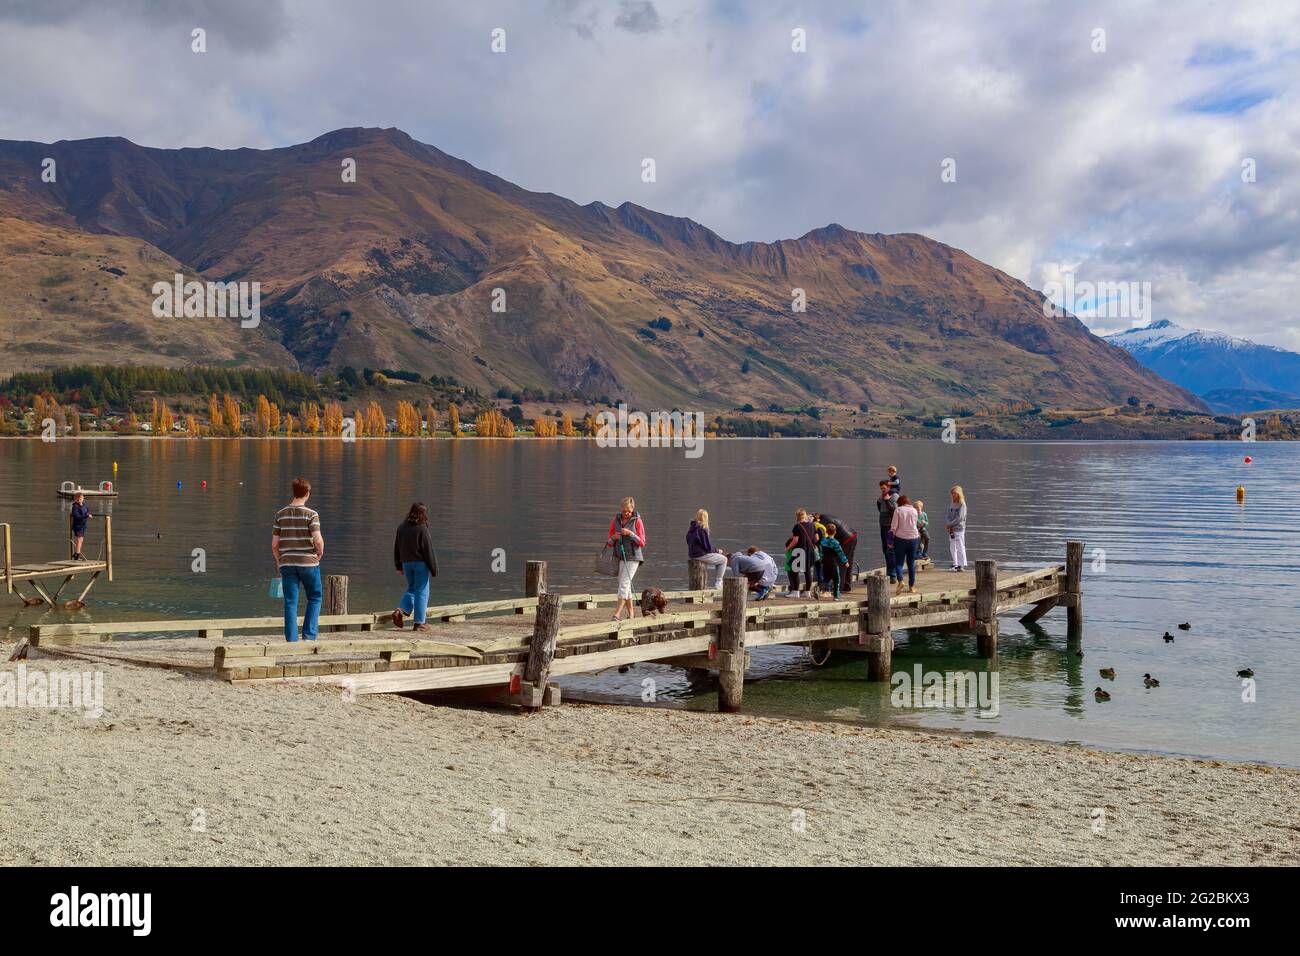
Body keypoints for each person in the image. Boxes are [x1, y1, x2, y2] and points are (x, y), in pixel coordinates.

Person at [271, 477, 325, 643]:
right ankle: (309, 637)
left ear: (293, 493)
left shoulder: (280, 515)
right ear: (307, 493)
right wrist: (320, 553)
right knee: (315, 597)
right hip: (308, 563)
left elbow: (274, 544)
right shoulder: (311, 515)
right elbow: (318, 540)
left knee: (290, 603)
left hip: (287, 563)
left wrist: (279, 561)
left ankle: (292, 641)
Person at [392, 502, 438, 632]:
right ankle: (419, 623)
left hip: (406, 564)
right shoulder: (422, 528)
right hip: (420, 564)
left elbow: (397, 547)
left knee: (412, 589)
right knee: (422, 592)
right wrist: (434, 569)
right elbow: (428, 550)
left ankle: (400, 610)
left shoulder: (401, 527)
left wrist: (398, 565)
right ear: (423, 514)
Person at [608, 497, 646, 621]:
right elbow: (608, 542)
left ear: (633, 509)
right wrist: (614, 537)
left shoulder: (637, 521)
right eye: (624, 511)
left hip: (633, 557)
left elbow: (642, 542)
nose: (626, 514)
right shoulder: (615, 520)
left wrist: (631, 534)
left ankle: (617, 614)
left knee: (624, 584)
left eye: (628, 511)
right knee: (625, 585)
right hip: (619, 556)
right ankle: (631, 614)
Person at [817, 512, 859, 592]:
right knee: (849, 562)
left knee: (841, 565)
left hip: (847, 539)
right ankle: (847, 585)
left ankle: (840, 588)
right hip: (853, 535)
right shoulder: (826, 516)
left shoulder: (822, 523)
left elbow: (824, 539)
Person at [686, 509, 727, 589]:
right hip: (701, 555)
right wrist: (718, 551)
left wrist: (715, 551)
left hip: (692, 554)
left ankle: (716, 582)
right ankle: (718, 582)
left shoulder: (691, 529)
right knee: (724, 560)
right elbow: (708, 547)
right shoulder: (702, 529)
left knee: (718, 557)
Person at [890, 495, 922, 593]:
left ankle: (900, 581)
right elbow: (915, 524)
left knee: (899, 563)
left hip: (900, 539)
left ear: (900, 502)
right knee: (911, 563)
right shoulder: (914, 510)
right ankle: (911, 587)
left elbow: (894, 527)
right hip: (914, 539)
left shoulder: (898, 510)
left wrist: (890, 541)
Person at [784, 508, 818, 598]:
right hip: (810, 551)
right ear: (805, 515)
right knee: (807, 571)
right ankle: (807, 592)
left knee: (794, 570)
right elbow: (817, 538)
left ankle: (795, 592)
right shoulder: (812, 525)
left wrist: (787, 548)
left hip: (799, 551)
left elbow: (795, 541)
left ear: (797, 516)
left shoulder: (797, 526)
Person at [818, 523, 850, 599]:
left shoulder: (823, 541)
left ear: (826, 532)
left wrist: (821, 559)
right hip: (833, 563)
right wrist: (845, 562)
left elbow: (821, 552)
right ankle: (836, 596)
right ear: (835, 532)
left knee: (827, 578)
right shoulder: (835, 542)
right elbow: (840, 553)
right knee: (837, 579)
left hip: (825, 562)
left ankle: (819, 588)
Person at [876, 480, 899, 583]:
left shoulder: (894, 496)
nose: (882, 490)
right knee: (885, 550)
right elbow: (880, 509)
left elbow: (895, 510)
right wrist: (880, 500)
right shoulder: (882, 497)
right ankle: (889, 572)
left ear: (889, 487)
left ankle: (893, 575)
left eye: (884, 488)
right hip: (882, 526)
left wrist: (887, 500)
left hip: (890, 527)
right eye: (881, 488)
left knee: (890, 551)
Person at [945, 485, 968, 572]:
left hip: (958, 529)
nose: (953, 495)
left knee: (960, 546)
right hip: (951, 529)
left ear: (959, 494)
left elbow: (960, 518)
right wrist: (948, 524)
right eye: (952, 494)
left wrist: (950, 524)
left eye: (955, 493)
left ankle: (962, 565)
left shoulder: (962, 505)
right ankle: (955, 564)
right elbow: (947, 515)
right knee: (952, 547)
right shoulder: (952, 504)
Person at [70, 492, 90, 560]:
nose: (79, 500)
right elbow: (76, 516)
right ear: (75, 499)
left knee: (81, 540)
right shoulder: (75, 506)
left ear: (83, 498)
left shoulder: (85, 505)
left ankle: (76, 553)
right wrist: (86, 515)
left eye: (80, 499)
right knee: (79, 539)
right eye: (77, 499)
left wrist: (88, 514)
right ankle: (77, 555)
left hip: (83, 525)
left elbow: (87, 511)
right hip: (77, 525)